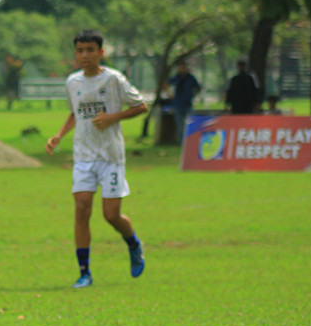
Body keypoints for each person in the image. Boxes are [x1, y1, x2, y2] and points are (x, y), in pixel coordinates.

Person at [45, 29, 148, 288]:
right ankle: (84, 272)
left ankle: (134, 244)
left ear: (101, 53)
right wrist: (59, 136)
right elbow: (74, 114)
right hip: (83, 155)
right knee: (81, 209)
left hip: (111, 156)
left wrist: (112, 117)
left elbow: (141, 106)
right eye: (80, 50)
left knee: (111, 215)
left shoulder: (114, 79)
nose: (85, 55)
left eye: (90, 50)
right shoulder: (72, 82)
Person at [166, 59, 201, 144]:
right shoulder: (176, 78)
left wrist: (192, 95)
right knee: (180, 125)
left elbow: (198, 87)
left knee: (191, 123)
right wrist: (169, 94)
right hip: (177, 104)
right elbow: (166, 84)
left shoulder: (190, 78)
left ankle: (191, 141)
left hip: (188, 103)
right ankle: (182, 143)